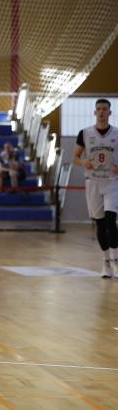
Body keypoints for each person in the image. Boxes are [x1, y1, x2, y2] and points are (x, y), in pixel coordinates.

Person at [72, 98, 118, 279]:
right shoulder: (84, 133)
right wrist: (83, 161)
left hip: (112, 182)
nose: (101, 112)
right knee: (100, 224)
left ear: (110, 112)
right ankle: (106, 263)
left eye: (104, 109)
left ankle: (116, 259)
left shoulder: (117, 133)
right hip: (93, 182)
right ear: (94, 112)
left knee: (111, 221)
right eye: (98, 109)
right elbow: (75, 157)